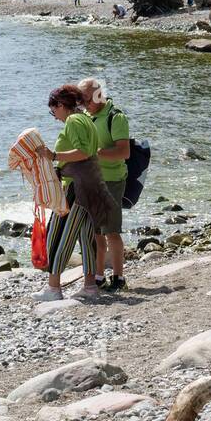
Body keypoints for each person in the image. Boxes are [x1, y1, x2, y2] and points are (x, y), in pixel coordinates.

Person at [34, 85, 105, 300]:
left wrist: (53, 155)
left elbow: (83, 152)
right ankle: (90, 285)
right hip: (92, 182)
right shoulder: (86, 119)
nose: (54, 117)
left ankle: (54, 288)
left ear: (61, 105)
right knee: (85, 235)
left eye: (53, 111)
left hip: (77, 185)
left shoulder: (74, 121)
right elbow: (90, 151)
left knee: (60, 233)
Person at [78, 77, 130, 291]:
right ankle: (98, 278)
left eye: (87, 99)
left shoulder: (115, 117)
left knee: (111, 232)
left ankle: (118, 278)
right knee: (95, 233)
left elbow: (124, 151)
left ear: (99, 94)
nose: (84, 104)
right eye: (81, 101)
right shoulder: (86, 116)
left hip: (112, 180)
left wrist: (96, 154)